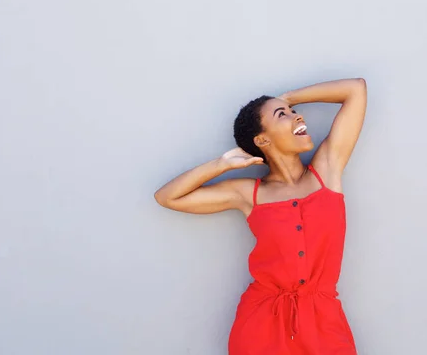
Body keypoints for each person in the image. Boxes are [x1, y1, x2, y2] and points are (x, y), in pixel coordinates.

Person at [154, 78, 367, 354]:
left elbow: (356, 90)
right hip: (262, 324)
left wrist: (287, 98)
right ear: (262, 139)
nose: (296, 115)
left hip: (324, 322)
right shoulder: (249, 193)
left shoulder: (327, 170)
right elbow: (167, 197)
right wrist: (220, 165)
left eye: (292, 111)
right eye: (283, 115)